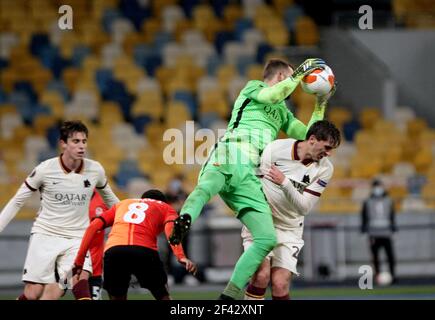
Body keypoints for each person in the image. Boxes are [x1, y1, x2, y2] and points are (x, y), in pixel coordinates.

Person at [169, 57, 335, 299]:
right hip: (231, 151)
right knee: (207, 187)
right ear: (280, 77)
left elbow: (311, 135)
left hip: (252, 173)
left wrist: (321, 102)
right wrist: (300, 71)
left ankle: (229, 297)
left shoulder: (283, 113)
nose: (294, 84)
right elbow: (271, 96)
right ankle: (184, 220)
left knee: (266, 239)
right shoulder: (253, 87)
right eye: (290, 78)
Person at [0, 120, 119, 300]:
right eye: (76, 141)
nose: (81, 146)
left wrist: (130, 217)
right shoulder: (44, 170)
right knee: (33, 294)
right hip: (46, 234)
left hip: (78, 237)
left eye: (84, 141)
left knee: (79, 279)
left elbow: (111, 200)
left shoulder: (95, 170)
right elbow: (18, 201)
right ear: (63, 143)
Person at [242, 120, 341, 300]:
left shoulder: (325, 168)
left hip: (290, 227)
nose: (329, 154)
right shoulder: (276, 149)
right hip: (262, 221)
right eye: (327, 147)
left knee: (280, 284)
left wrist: (285, 183)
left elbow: (304, 207)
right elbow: (252, 184)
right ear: (312, 139)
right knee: (261, 276)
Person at [72, 189, 197, 300]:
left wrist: (79, 260)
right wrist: (180, 256)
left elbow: (93, 227)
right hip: (144, 250)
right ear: (163, 201)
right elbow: (172, 232)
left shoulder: (122, 204)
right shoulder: (166, 207)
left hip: (115, 251)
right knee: (163, 295)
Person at [361, 179, 397, 284]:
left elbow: (392, 216)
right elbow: (364, 216)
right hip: (373, 233)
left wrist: (394, 229)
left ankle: (393, 276)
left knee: (390, 256)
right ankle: (377, 277)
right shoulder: (367, 201)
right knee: (375, 257)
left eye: (379, 186)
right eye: (376, 186)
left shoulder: (388, 200)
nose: (378, 189)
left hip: (386, 233)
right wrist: (364, 231)